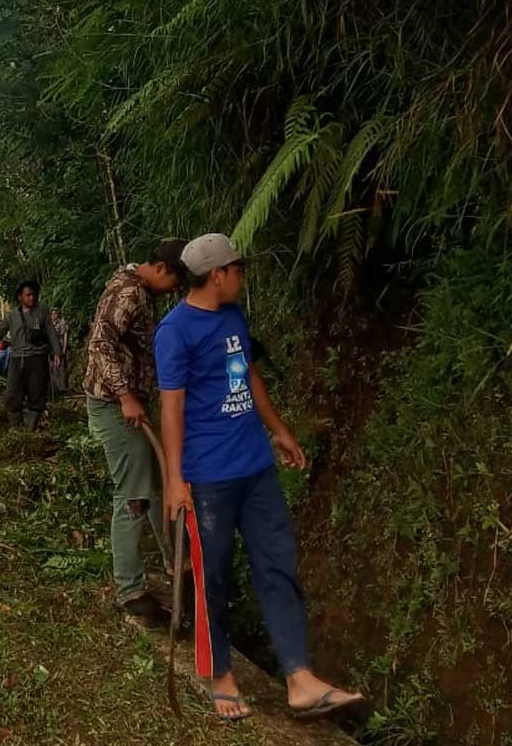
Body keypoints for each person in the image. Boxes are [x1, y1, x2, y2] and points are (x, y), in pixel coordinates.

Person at [155, 234, 363, 722]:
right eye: (237, 267)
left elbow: (247, 375)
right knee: (215, 578)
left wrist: (280, 433)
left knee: (278, 567)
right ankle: (220, 674)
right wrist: (174, 480)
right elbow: (172, 409)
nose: (241, 275)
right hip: (207, 479)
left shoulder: (232, 317)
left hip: (256, 468)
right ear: (216, 276)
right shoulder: (175, 331)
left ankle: (300, 678)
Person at [83, 239, 187, 620]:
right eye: (175, 280)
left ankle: (178, 566)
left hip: (132, 402)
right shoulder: (128, 292)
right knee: (134, 495)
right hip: (116, 406)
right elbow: (99, 346)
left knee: (157, 485)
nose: (176, 289)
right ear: (160, 268)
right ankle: (129, 590)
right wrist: (126, 395)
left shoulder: (142, 292)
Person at [0, 280, 62, 430]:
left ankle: (30, 430)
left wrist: (57, 353)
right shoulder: (12, 315)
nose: (31, 298)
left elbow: (51, 333)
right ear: (20, 297)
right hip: (17, 359)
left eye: (33, 295)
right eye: (28, 295)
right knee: (12, 395)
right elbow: (1, 331)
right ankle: (16, 430)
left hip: (37, 358)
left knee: (37, 394)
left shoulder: (42, 312)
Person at [49, 307, 71, 396]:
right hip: (51, 347)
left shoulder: (62, 323)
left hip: (60, 345)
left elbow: (65, 336)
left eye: (56, 314)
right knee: (53, 367)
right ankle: (55, 387)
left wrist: (64, 349)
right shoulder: (49, 323)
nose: (54, 316)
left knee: (61, 367)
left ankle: (62, 388)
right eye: (53, 314)